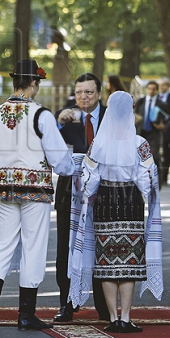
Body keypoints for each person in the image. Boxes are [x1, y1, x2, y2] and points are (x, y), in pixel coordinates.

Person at [0, 59, 75, 332]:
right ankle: (26, 315)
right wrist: (70, 167)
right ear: (34, 83)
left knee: (2, 244)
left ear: (14, 82)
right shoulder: (40, 114)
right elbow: (59, 159)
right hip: (36, 190)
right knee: (33, 246)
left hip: (5, 188)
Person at [69, 91, 163, 334]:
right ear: (130, 110)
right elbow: (146, 179)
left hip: (105, 204)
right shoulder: (139, 143)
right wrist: (146, 193)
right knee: (129, 262)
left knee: (106, 262)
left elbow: (89, 179)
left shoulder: (99, 143)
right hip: (130, 203)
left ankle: (112, 317)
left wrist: (87, 198)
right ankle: (126, 317)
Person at [53, 73, 109, 322]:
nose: (83, 97)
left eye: (88, 92)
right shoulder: (67, 117)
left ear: (99, 93)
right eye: (78, 92)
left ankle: (103, 304)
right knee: (66, 248)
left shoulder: (111, 116)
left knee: (101, 248)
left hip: (105, 194)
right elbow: (48, 148)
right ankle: (67, 302)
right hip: (69, 193)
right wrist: (57, 124)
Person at [135, 81, 170, 187]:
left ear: (156, 90)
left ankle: (157, 181)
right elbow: (134, 115)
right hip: (141, 133)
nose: (151, 91)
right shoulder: (140, 102)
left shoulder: (162, 104)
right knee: (139, 158)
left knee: (154, 156)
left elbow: (168, 119)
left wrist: (163, 126)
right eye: (149, 89)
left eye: (153, 89)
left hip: (154, 134)